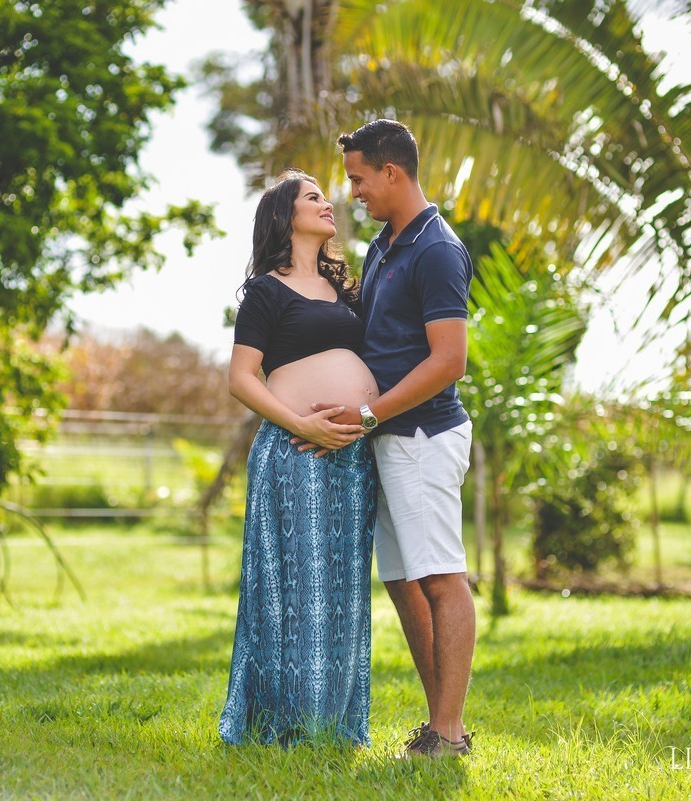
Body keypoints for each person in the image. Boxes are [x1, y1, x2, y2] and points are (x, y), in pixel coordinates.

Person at [297, 119, 476, 758]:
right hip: (388, 441)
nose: (354, 193)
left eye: (358, 178)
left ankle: (450, 736)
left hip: (423, 437)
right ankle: (439, 724)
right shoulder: (386, 244)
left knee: (441, 578)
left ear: (391, 172)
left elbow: (448, 359)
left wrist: (369, 414)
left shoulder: (436, 249)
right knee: (404, 582)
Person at [218, 170, 379, 748]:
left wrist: (361, 419)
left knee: (342, 591)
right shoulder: (266, 290)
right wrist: (302, 422)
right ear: (285, 216)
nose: (328, 201)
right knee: (290, 588)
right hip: (293, 453)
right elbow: (241, 378)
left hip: (351, 460)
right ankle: (283, 724)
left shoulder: (348, 290)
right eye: (313, 196)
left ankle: (334, 726)